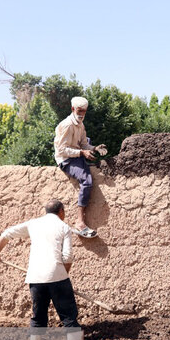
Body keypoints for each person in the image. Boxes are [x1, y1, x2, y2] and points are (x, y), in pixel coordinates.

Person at [0, 199, 82, 340]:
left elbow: (7, 234)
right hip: (58, 277)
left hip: (35, 278)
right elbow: (67, 257)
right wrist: (62, 275)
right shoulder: (63, 226)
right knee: (68, 317)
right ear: (61, 212)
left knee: (38, 316)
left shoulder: (33, 224)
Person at [54, 96, 107, 238]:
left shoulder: (81, 125)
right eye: (79, 110)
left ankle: (87, 159)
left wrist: (94, 148)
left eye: (84, 111)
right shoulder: (67, 125)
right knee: (87, 181)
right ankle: (80, 222)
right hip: (66, 159)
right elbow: (61, 150)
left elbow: (84, 143)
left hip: (76, 154)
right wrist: (82, 152)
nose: (82, 113)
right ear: (73, 109)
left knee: (89, 147)